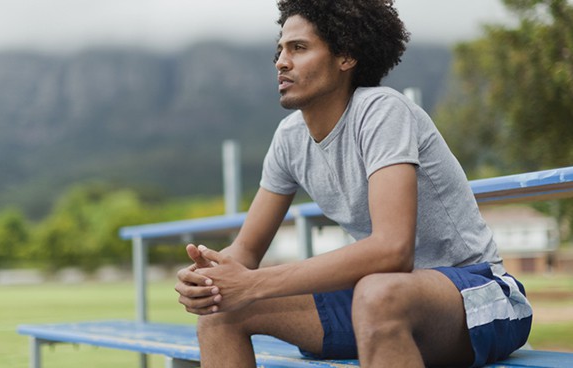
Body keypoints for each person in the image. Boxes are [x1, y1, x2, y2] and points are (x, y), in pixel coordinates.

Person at [175, 1, 533, 367]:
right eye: (280, 50)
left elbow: (392, 250)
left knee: (378, 292)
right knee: (221, 310)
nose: (281, 62)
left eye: (298, 48)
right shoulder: (289, 139)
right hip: (378, 301)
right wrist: (210, 277)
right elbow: (246, 250)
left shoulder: (381, 111)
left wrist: (253, 284)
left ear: (345, 57)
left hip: (479, 295)